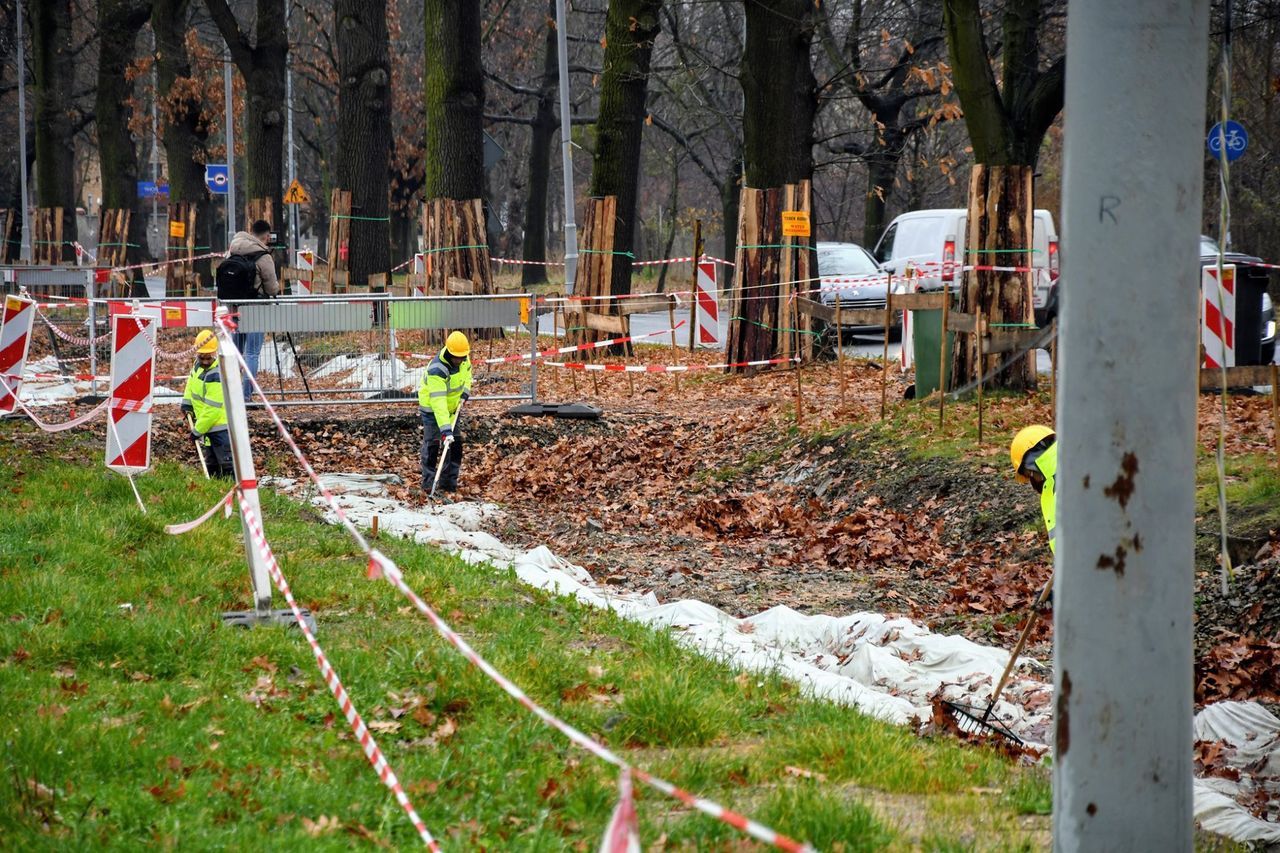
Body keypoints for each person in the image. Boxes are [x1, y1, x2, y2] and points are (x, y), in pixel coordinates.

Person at [225, 219, 280, 402]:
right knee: (252, 353)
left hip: (234, 309)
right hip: (256, 310)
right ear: (266, 235)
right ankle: (246, 396)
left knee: (236, 352)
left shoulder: (233, 250)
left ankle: (230, 394)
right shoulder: (263, 256)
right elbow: (272, 289)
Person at [419, 331, 473, 498]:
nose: (460, 360)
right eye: (457, 357)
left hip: (452, 409)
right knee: (433, 444)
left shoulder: (464, 357)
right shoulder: (437, 369)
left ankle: (448, 484)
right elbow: (438, 402)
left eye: (462, 357)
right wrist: (445, 430)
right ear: (449, 353)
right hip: (433, 410)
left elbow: (468, 374)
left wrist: (465, 392)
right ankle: (429, 483)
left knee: (454, 446)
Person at [181, 330, 233, 477]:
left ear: (214, 353)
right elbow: (190, 384)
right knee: (212, 465)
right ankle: (216, 490)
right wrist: (187, 404)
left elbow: (212, 410)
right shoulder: (197, 367)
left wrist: (197, 431)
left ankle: (234, 493)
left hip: (220, 429)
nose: (204, 361)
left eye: (207, 358)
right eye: (201, 357)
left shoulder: (216, 375)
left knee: (227, 466)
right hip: (208, 429)